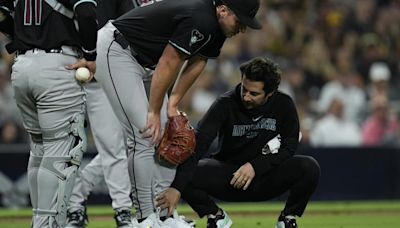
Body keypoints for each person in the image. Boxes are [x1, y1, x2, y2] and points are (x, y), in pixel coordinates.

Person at [94, 0, 262, 227]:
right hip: (118, 51)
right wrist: (154, 111)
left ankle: (164, 215)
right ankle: (145, 219)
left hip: (145, 64)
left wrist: (172, 103)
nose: (242, 28)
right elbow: (169, 62)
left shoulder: (217, 27)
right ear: (223, 10)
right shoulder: (201, 18)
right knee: (145, 133)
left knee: (169, 136)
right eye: (240, 21)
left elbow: (198, 61)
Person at [155, 57, 321, 228]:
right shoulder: (225, 103)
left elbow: (289, 146)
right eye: (244, 89)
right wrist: (176, 189)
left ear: (270, 93)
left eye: (254, 93)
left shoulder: (284, 104)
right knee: (181, 172)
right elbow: (199, 145)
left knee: (309, 167)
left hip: (266, 177)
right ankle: (215, 215)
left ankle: (288, 217)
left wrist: (255, 166)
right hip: (229, 177)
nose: (246, 97)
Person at [0, 0, 97, 227]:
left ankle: (39, 219)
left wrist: (25, 35)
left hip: (22, 66)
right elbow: (86, 11)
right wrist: (90, 55)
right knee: (63, 150)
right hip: (58, 65)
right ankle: (46, 223)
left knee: (40, 149)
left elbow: (2, 15)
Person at [65, 0, 135, 228]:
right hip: (70, 68)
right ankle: (118, 209)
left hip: (106, 71)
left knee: (116, 146)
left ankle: (79, 197)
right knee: (110, 148)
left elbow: (127, 26)